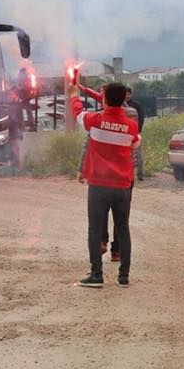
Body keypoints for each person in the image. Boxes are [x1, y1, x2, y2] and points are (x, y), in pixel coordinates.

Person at [70, 82, 140, 289]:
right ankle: (124, 275)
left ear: (105, 100)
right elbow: (135, 143)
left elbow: (77, 113)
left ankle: (96, 274)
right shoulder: (131, 125)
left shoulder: (95, 120)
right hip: (122, 185)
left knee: (94, 229)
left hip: (99, 184)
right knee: (123, 228)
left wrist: (74, 94)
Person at [124, 87, 145, 181]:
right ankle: (127, 174)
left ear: (131, 95)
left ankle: (140, 174)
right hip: (124, 133)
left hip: (135, 133)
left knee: (138, 154)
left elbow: (141, 118)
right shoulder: (120, 105)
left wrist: (138, 130)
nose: (127, 96)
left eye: (128, 94)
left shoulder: (136, 105)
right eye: (125, 94)